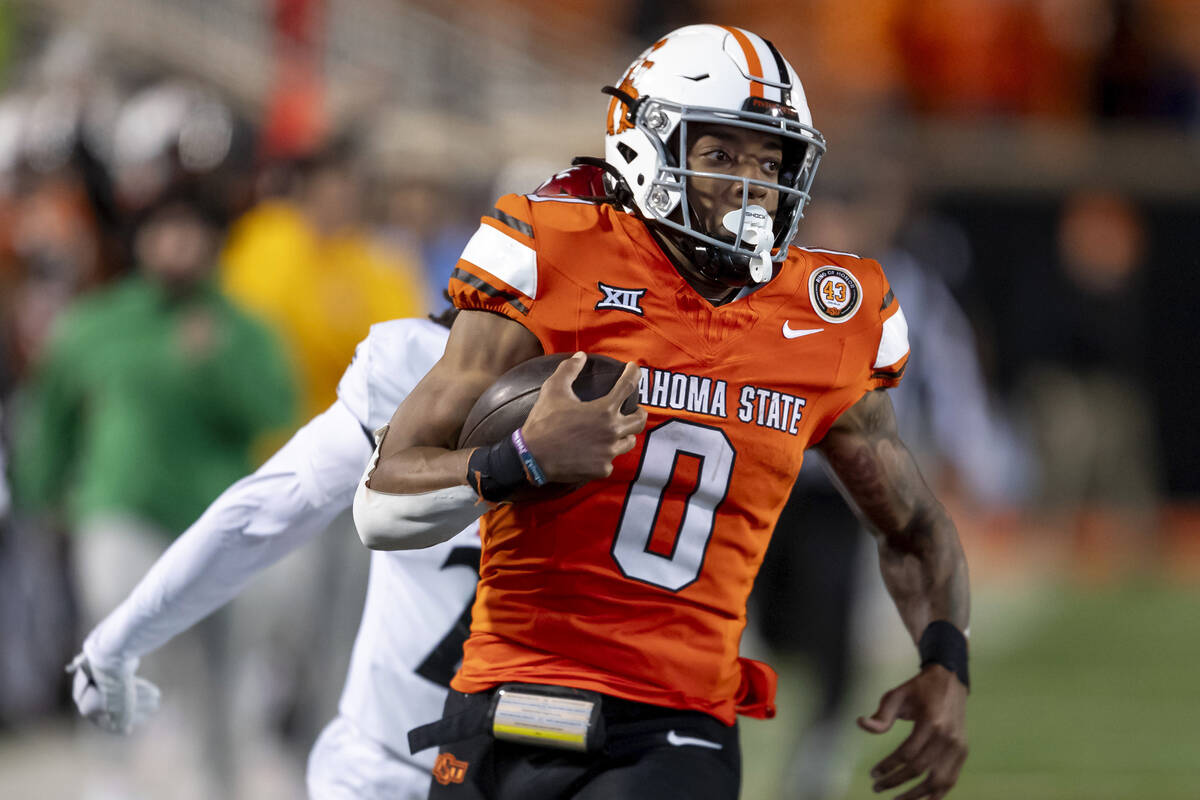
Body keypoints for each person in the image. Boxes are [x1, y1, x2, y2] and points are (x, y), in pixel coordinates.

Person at [357, 23, 970, 800]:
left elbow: (912, 526)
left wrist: (947, 661)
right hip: (499, 699)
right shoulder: (553, 252)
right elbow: (380, 503)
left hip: (673, 725)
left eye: (769, 159)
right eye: (719, 155)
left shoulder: (827, 318)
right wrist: (522, 460)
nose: (751, 185)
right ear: (645, 148)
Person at [64, 309, 482, 800]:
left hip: (483, 755)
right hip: (432, 763)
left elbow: (256, 519)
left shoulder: (423, 360)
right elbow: (257, 519)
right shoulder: (422, 364)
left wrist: (114, 645)